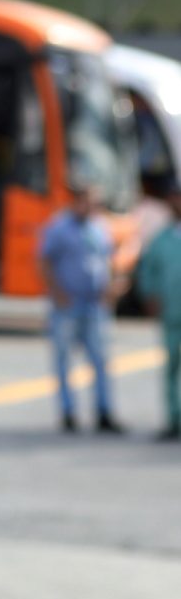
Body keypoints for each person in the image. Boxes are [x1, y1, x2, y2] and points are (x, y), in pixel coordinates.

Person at [38, 181, 122, 433]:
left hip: (95, 304)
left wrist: (112, 287)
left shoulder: (99, 227)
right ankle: (68, 413)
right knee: (64, 360)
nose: (92, 207)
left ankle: (104, 412)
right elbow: (44, 261)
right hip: (68, 304)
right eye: (88, 201)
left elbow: (108, 260)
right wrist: (57, 292)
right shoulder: (59, 228)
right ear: (76, 201)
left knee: (100, 360)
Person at [136, 186, 181, 438]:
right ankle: (174, 419)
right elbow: (147, 271)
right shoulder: (162, 239)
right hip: (172, 313)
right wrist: (150, 295)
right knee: (172, 368)